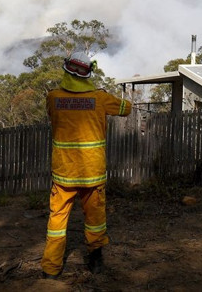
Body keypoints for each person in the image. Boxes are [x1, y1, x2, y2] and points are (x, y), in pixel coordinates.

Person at [41, 52, 132, 279]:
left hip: (64, 174)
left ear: (66, 69)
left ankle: (51, 269)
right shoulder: (100, 98)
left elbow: (54, 117)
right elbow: (126, 108)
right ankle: (96, 260)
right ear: (88, 73)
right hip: (93, 173)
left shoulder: (53, 97)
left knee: (57, 220)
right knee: (95, 219)